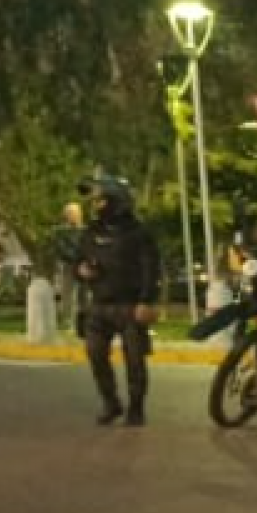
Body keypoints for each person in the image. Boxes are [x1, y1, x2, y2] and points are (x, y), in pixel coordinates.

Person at [74, 177, 160, 427]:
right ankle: (110, 402)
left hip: (130, 304)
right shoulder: (91, 232)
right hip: (99, 303)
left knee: (134, 359)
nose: (96, 205)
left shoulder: (138, 233)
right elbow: (77, 262)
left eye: (101, 200)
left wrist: (146, 301)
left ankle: (136, 407)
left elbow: (151, 269)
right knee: (95, 353)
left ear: (116, 201)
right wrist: (81, 270)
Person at [51, 201, 86, 336]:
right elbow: (61, 249)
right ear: (66, 215)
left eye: (77, 213)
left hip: (85, 266)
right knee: (68, 294)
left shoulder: (86, 231)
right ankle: (67, 323)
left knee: (85, 296)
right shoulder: (60, 232)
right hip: (69, 266)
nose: (75, 216)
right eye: (71, 213)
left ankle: (83, 324)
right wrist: (76, 258)